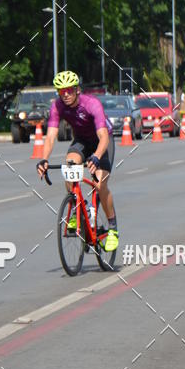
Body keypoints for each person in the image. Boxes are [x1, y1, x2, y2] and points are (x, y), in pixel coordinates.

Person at [36, 70, 119, 252]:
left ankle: (112, 228)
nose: (65, 94)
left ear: (77, 90)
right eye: (61, 91)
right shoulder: (57, 106)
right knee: (70, 166)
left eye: (69, 90)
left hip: (102, 141)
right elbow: (50, 137)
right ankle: (79, 207)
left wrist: (96, 156)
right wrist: (43, 159)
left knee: (99, 184)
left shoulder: (92, 104)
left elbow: (103, 136)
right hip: (81, 140)